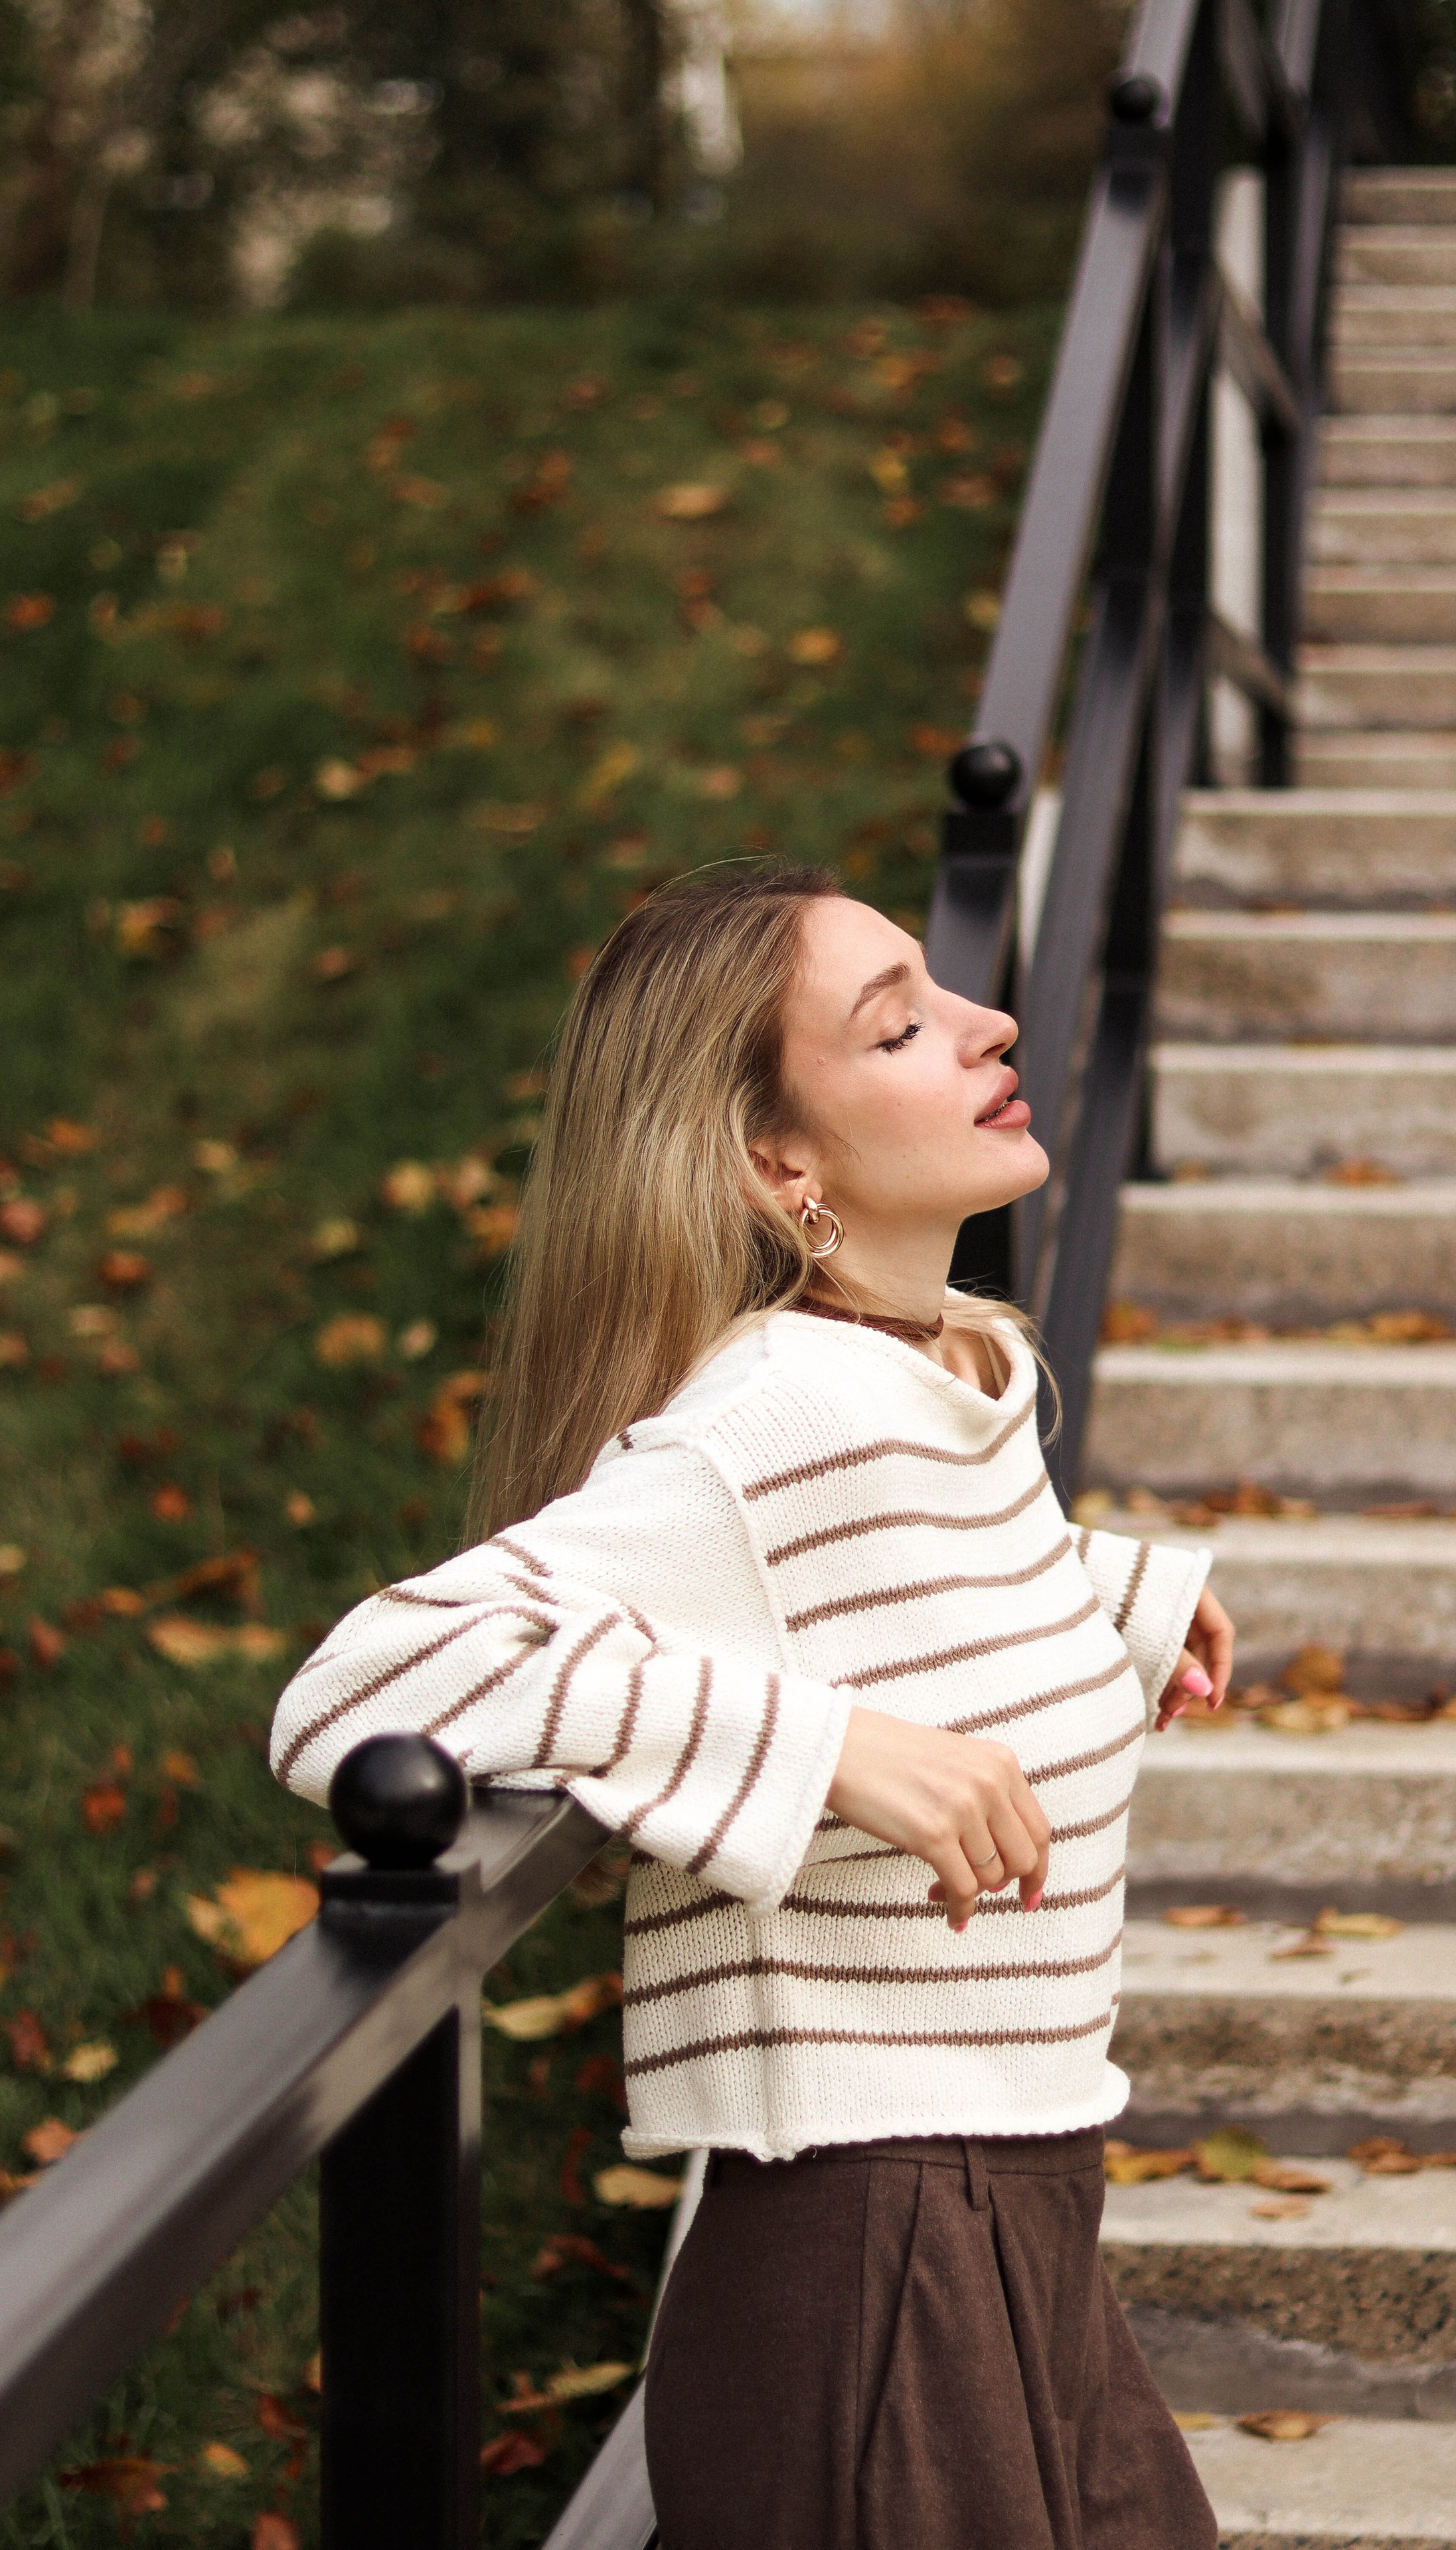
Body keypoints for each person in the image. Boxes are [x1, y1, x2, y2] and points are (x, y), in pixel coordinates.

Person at [269, 863, 1231, 2549]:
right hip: (870, 2258)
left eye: (943, 996)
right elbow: (359, 1686)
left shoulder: (936, 1365)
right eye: (899, 1027)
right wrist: (827, 1750)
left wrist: (1107, 1599)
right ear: (779, 1166)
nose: (990, 1025)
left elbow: (882, 1575)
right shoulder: (777, 1411)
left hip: (1015, 2212)